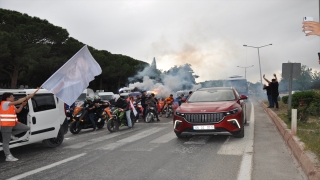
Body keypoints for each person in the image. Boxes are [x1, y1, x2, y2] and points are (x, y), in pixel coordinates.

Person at [0, 92, 34, 161]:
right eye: (12, 96)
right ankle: (8, 156)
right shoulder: (5, 103)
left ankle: (11, 135)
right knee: (6, 142)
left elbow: (18, 111)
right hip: (6, 125)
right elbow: (17, 101)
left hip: (13, 123)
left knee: (26, 128)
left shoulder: (11, 105)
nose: (13, 98)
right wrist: (27, 97)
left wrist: (22, 105)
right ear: (7, 98)